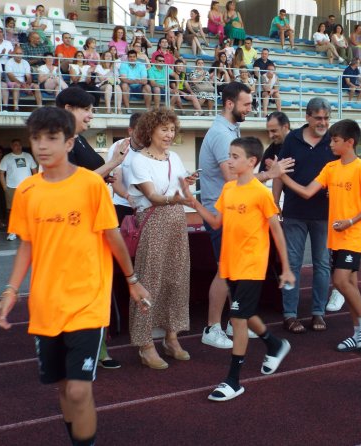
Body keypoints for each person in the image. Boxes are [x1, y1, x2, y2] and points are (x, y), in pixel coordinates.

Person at [0, 107, 149, 446]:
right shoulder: (27, 192)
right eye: (36, 138)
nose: (42, 146)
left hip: (87, 301)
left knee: (79, 391)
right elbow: (26, 246)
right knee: (64, 388)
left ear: (69, 142)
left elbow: (113, 237)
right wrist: (10, 290)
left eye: (51, 138)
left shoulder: (91, 185)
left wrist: (132, 281)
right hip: (46, 306)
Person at [180, 136, 294, 402]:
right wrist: (194, 204)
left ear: (251, 162)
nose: (229, 161)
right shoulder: (229, 189)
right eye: (229, 155)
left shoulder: (260, 193)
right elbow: (217, 222)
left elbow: (277, 231)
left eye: (234, 157)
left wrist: (286, 268)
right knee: (245, 311)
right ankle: (275, 344)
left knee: (238, 318)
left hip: (252, 265)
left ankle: (233, 380)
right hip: (230, 264)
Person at [198, 82, 291, 348]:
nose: (252, 108)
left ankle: (234, 321)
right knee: (224, 270)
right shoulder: (222, 134)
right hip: (224, 210)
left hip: (231, 210)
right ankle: (211, 327)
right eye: (246, 104)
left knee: (232, 269)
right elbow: (233, 178)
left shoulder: (229, 130)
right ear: (230, 104)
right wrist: (269, 175)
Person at [273, 119, 361, 350]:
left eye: (335, 140)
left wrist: (351, 221)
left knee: (340, 280)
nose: (330, 143)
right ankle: (358, 331)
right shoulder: (331, 168)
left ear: (349, 143)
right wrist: (281, 175)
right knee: (349, 283)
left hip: (354, 235)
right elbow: (307, 191)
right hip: (336, 236)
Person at [56, 87, 129, 368]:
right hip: (75, 226)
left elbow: (95, 177)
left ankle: (97, 346)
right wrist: (113, 163)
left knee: (98, 288)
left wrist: (112, 174)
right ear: (67, 108)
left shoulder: (80, 141)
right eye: (86, 109)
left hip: (95, 222)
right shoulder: (60, 141)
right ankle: (79, 348)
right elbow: (75, 183)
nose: (90, 115)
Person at [128, 109, 195, 369]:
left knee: (177, 279)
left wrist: (186, 184)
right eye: (163, 129)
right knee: (150, 281)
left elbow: (179, 189)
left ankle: (172, 337)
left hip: (177, 220)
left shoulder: (175, 157)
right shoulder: (138, 160)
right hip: (154, 223)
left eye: (171, 129)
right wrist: (176, 197)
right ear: (150, 130)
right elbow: (153, 196)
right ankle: (145, 344)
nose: (169, 134)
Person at [273, 98, 336, 334]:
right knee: (293, 264)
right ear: (307, 117)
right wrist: (275, 203)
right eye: (318, 118)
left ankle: (318, 312)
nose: (323, 122)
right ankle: (290, 315)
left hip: (323, 214)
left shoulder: (333, 140)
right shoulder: (292, 139)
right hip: (294, 213)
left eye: (326, 118)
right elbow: (280, 173)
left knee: (321, 264)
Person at [0, 138, 37, 241]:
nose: (18, 146)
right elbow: (1, 172)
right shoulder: (7, 158)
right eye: (15, 145)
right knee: (12, 210)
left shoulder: (28, 156)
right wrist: (4, 187)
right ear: (11, 146)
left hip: (28, 188)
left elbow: (34, 170)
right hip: (12, 187)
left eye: (19, 145)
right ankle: (12, 232)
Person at [5, 47, 42, 111]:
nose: (19, 55)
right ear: (13, 54)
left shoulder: (25, 62)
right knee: (17, 85)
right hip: (12, 83)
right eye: (17, 53)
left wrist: (28, 84)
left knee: (36, 86)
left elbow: (28, 76)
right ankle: (16, 108)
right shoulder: (9, 62)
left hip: (23, 83)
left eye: (20, 53)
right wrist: (22, 85)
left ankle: (40, 108)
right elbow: (11, 77)